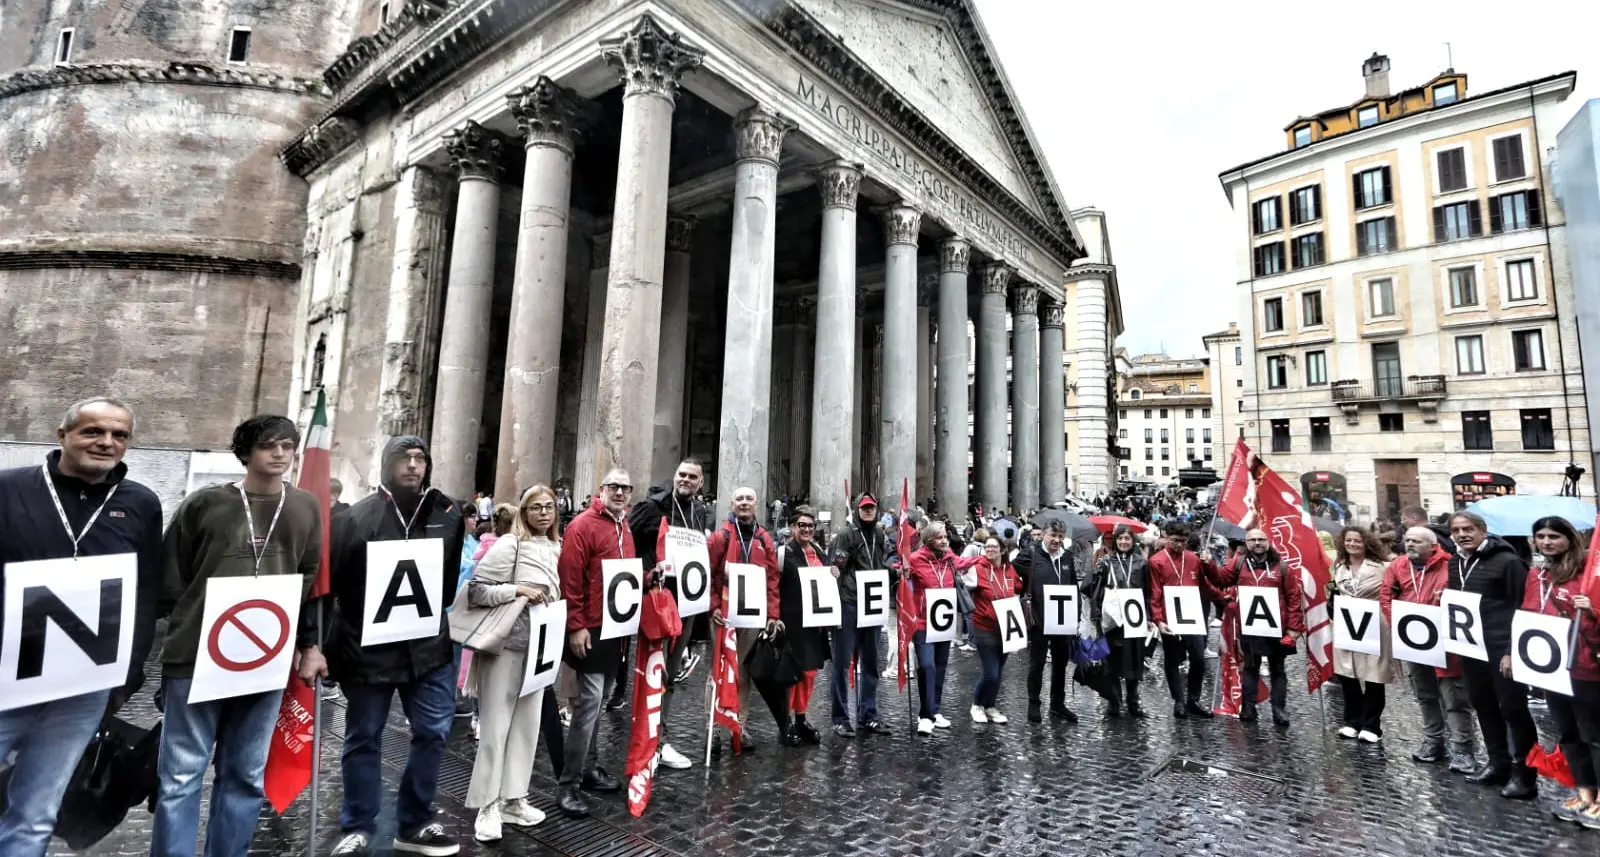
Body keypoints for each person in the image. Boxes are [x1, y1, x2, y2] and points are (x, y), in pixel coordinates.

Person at [150, 415, 325, 857]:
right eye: (269, 445)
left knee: (245, 774)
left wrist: (304, 642)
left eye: (288, 445)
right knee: (180, 777)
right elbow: (172, 576)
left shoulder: (305, 506)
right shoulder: (205, 504)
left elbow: (308, 575)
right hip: (195, 656)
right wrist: (193, 622)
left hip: (264, 660)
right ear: (246, 452)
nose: (280, 453)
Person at [0, 398, 163, 857]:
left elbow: (144, 594)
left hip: (81, 689)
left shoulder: (140, 503)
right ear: (62, 436)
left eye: (120, 435)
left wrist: (125, 677)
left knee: (36, 812)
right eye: (93, 431)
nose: (106, 442)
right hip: (4, 679)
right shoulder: (9, 489)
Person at [325, 436, 464, 856]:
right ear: (387, 464)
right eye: (403, 458)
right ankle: (359, 824)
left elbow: (446, 583)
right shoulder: (355, 518)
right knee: (364, 735)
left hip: (428, 648)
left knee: (434, 732)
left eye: (420, 459)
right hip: (369, 650)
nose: (413, 466)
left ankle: (415, 822)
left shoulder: (447, 516)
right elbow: (336, 586)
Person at [462, 486, 561, 842]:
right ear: (523, 511)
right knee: (495, 728)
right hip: (505, 647)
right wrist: (516, 590)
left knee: (526, 728)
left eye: (549, 507)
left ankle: (514, 798)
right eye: (536, 508)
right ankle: (487, 806)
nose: (544, 513)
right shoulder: (509, 545)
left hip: (540, 649)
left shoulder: (554, 547)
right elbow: (476, 591)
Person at [555, 469, 636, 817]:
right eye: (613, 487)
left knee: (600, 701)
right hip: (590, 626)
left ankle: (589, 767)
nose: (619, 492)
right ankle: (568, 784)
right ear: (600, 490)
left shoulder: (623, 525)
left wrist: (647, 578)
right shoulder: (582, 526)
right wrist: (575, 626)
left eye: (625, 488)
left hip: (615, 626)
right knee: (588, 705)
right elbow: (570, 577)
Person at [626, 459, 713, 770]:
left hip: (687, 605)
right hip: (659, 603)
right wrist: (646, 575)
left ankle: (660, 740)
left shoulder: (700, 511)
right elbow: (626, 543)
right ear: (674, 476)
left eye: (692, 477)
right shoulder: (652, 506)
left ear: (701, 483)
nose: (685, 480)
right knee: (653, 672)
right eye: (681, 475)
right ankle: (646, 743)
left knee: (671, 674)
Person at [1446, 511, 1537, 797]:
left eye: (1469, 528)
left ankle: (1524, 773)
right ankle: (1498, 763)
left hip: (1502, 649)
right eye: (1457, 530)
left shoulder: (1508, 562)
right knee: (1482, 703)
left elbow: (1523, 606)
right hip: (1471, 647)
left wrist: (1512, 651)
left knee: (1513, 708)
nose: (1463, 534)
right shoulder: (1455, 562)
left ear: (1483, 531)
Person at [1382, 526, 1477, 771]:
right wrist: (1401, 626)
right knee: (1424, 694)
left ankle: (1463, 749)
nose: (1410, 544)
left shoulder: (1451, 565)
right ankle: (1434, 741)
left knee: (1454, 698)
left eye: (1416, 541)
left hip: (1446, 645)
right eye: (1408, 540)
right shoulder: (1398, 566)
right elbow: (1387, 597)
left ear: (1433, 546)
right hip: (1413, 642)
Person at [1525, 516, 1600, 826]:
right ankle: (1586, 794)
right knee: (1568, 733)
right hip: (1550, 669)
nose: (1546, 542)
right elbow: (1527, 615)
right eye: (1540, 536)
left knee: (1594, 735)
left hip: (1586, 668)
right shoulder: (1537, 575)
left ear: (1570, 538)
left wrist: (1594, 610)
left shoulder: (1590, 575)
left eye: (1554, 536)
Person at [708, 486, 785, 743]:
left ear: (756, 503)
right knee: (719, 670)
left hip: (753, 614)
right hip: (724, 613)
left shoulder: (765, 538)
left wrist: (773, 614)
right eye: (739, 499)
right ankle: (714, 727)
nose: (744, 503)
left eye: (748, 499)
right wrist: (714, 606)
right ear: (732, 504)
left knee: (742, 671)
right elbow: (709, 575)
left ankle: (739, 725)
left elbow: (773, 579)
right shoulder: (721, 537)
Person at [1213, 529, 1304, 725]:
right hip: (1250, 625)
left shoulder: (1282, 567)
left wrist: (1294, 629)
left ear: (1268, 542)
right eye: (1252, 540)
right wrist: (1206, 564)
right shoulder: (1238, 564)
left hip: (1277, 627)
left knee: (1277, 669)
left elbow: (1294, 598)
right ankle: (1248, 707)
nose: (1257, 543)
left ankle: (1279, 709)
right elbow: (1220, 579)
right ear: (1246, 543)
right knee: (1250, 667)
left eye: (1261, 539)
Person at [826, 493, 895, 738]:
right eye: (864, 508)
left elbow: (878, 564)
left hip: (872, 603)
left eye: (872, 508)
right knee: (842, 664)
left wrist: (894, 571)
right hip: (849, 603)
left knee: (871, 663)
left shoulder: (879, 534)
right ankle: (841, 718)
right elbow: (836, 568)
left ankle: (869, 714)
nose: (868, 511)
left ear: (877, 510)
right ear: (857, 509)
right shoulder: (846, 535)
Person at [904, 520, 979, 734]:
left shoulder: (949, 560)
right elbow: (900, 568)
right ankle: (925, 715)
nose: (945, 540)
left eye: (945, 536)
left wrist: (985, 558)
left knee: (940, 667)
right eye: (940, 537)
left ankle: (934, 710)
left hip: (944, 623)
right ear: (928, 540)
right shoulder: (916, 559)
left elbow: (965, 563)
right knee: (927, 666)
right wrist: (900, 572)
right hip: (922, 623)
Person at [1147, 521, 1219, 719]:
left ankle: (1193, 700)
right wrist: (1158, 620)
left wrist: (1221, 599)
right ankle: (1179, 701)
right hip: (1170, 618)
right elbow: (1155, 593)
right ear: (1167, 537)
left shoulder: (1194, 559)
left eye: (1183, 541)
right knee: (1172, 660)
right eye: (1175, 541)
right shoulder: (1157, 561)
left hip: (1192, 616)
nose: (1179, 545)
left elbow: (1206, 585)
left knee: (1198, 659)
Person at [1331, 526, 1393, 743]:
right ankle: (1351, 721)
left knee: (1374, 674)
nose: (1352, 544)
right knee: (1347, 673)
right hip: (1347, 622)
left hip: (1375, 622)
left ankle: (1371, 725)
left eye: (1357, 541)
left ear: (1367, 543)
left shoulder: (1383, 567)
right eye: (1349, 540)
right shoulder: (1339, 566)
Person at [1013, 518, 1079, 724]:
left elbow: (1073, 585)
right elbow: (1010, 574)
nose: (1057, 540)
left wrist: (1075, 617)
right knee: (1037, 664)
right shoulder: (1030, 554)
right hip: (1039, 619)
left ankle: (1057, 704)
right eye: (1053, 535)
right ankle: (1034, 703)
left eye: (1060, 536)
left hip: (1063, 619)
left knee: (1060, 664)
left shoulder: (1067, 557)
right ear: (1043, 534)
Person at [777, 505, 832, 744]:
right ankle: (785, 723)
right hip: (792, 619)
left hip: (815, 620)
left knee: (809, 673)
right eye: (802, 525)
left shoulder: (819, 551)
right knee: (792, 673)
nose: (807, 529)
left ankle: (801, 718)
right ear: (792, 527)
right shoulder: (784, 552)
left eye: (811, 526)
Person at [1088, 525, 1150, 718]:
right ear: (1115, 541)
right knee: (1111, 662)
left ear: (1133, 541)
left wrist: (1149, 617)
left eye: (1127, 538)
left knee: (1134, 661)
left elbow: (1148, 591)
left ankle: (1133, 700)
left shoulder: (1141, 563)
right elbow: (1093, 589)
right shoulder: (1106, 562)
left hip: (1134, 618)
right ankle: (1114, 701)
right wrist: (1096, 614)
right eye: (1120, 538)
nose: (1124, 542)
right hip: (1112, 618)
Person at [963, 535, 1019, 723]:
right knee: (991, 672)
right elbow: (963, 585)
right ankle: (977, 704)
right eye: (987, 547)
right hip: (983, 625)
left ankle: (990, 705)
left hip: (1006, 626)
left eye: (994, 547)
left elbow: (1018, 586)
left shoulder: (1009, 569)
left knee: (999, 671)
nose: (990, 550)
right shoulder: (977, 569)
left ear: (1002, 550)